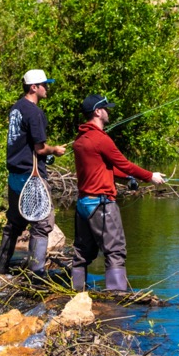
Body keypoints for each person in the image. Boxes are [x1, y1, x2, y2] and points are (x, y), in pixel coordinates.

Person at [69, 94, 165, 292]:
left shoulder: (80, 140)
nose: (108, 111)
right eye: (106, 108)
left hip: (83, 205)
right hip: (102, 205)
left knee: (82, 253)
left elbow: (106, 168)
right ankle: (117, 298)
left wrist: (128, 178)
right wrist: (149, 176)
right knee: (115, 252)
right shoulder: (101, 140)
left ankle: (75, 292)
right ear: (97, 112)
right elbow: (124, 164)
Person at [0, 69, 67, 274]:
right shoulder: (34, 112)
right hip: (32, 177)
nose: (47, 88)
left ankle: (1, 269)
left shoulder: (16, 108)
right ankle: (37, 275)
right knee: (43, 224)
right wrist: (55, 150)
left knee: (14, 223)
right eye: (44, 84)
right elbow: (40, 149)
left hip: (15, 175)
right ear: (33, 87)